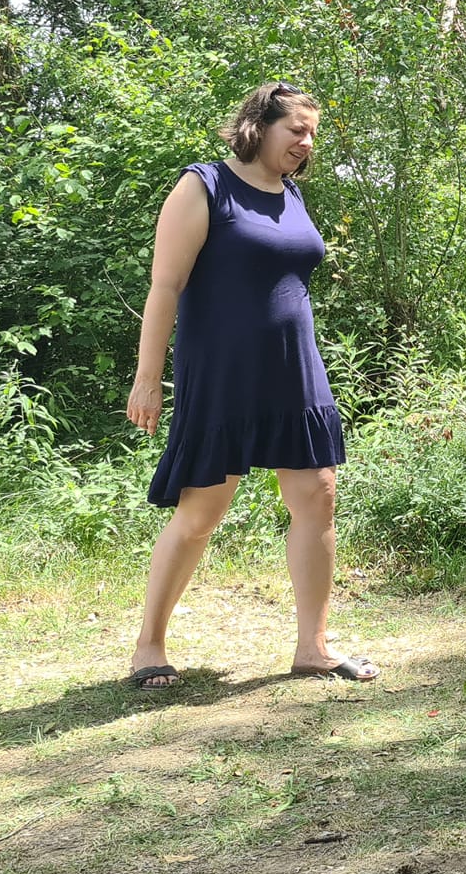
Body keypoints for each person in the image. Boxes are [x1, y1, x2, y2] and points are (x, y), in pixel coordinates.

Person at [125, 82, 375, 688]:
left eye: (312, 134)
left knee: (318, 492)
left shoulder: (292, 194)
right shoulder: (204, 185)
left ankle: (313, 646)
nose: (306, 143)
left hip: (295, 367)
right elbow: (165, 286)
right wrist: (148, 378)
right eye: (297, 130)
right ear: (258, 126)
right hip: (223, 370)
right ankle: (149, 645)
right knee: (202, 510)